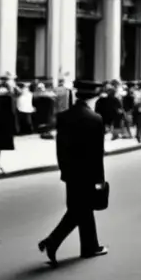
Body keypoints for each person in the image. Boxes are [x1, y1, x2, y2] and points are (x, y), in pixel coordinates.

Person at [38, 96, 108, 266]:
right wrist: (100, 179)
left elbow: (60, 148)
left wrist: (64, 170)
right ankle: (53, 241)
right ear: (93, 97)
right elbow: (98, 154)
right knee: (80, 210)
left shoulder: (64, 116)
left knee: (80, 208)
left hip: (71, 171)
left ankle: (89, 246)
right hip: (89, 173)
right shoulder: (96, 119)